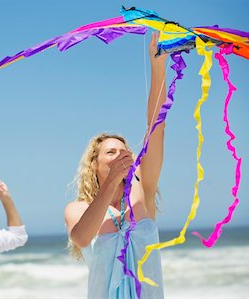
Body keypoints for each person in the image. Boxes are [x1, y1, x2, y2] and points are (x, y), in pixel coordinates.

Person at [64, 32, 167, 299]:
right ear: (94, 164)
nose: (120, 155)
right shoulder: (77, 209)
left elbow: (156, 126)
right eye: (111, 152)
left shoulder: (142, 191)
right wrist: (110, 184)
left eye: (124, 151)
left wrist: (158, 65)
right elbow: (82, 237)